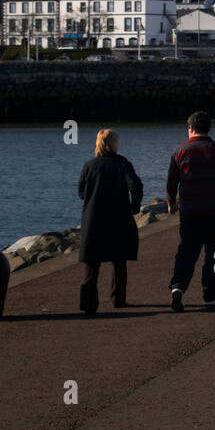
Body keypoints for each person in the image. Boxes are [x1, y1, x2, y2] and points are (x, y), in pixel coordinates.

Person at [167, 111, 215, 311]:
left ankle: (178, 287)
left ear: (190, 128)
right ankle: (211, 294)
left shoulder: (180, 151)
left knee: (186, 251)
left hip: (189, 211)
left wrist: (171, 203)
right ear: (209, 128)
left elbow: (171, 183)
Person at [77, 128, 143, 314]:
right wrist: (134, 207)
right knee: (119, 260)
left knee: (91, 262)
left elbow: (81, 192)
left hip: (94, 218)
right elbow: (136, 185)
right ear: (113, 143)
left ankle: (89, 304)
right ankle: (118, 299)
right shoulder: (122, 163)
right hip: (118, 217)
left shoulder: (89, 165)